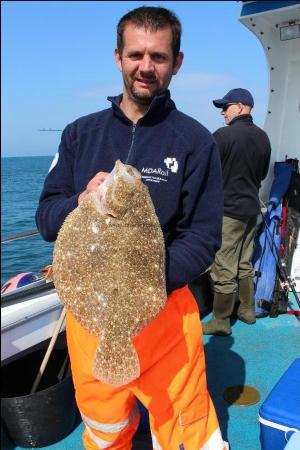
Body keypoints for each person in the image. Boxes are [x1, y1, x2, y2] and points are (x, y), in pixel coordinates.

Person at [36, 6, 227, 449]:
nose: (146, 66)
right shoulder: (79, 135)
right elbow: (47, 218)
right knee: (105, 430)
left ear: (176, 62)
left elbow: (202, 238)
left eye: (158, 57)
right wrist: (82, 203)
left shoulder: (196, 141)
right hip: (91, 320)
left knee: (188, 432)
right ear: (118, 56)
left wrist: (142, 285)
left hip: (166, 315)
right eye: (136, 54)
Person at [203, 88, 271, 336]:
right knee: (245, 262)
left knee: (223, 266)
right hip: (250, 211)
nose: (222, 112)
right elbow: (262, 175)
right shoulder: (263, 138)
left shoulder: (222, 136)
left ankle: (221, 320)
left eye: (226, 106)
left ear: (240, 107)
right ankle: (247, 311)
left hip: (228, 212)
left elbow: (207, 175)